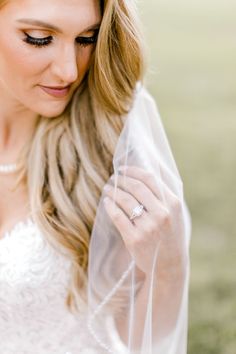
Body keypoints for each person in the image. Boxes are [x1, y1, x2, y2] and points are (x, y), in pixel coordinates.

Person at [0, 0, 191, 353]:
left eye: (87, 38)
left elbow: (138, 340)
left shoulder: (110, 148)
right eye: (40, 38)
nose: (69, 71)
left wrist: (168, 266)